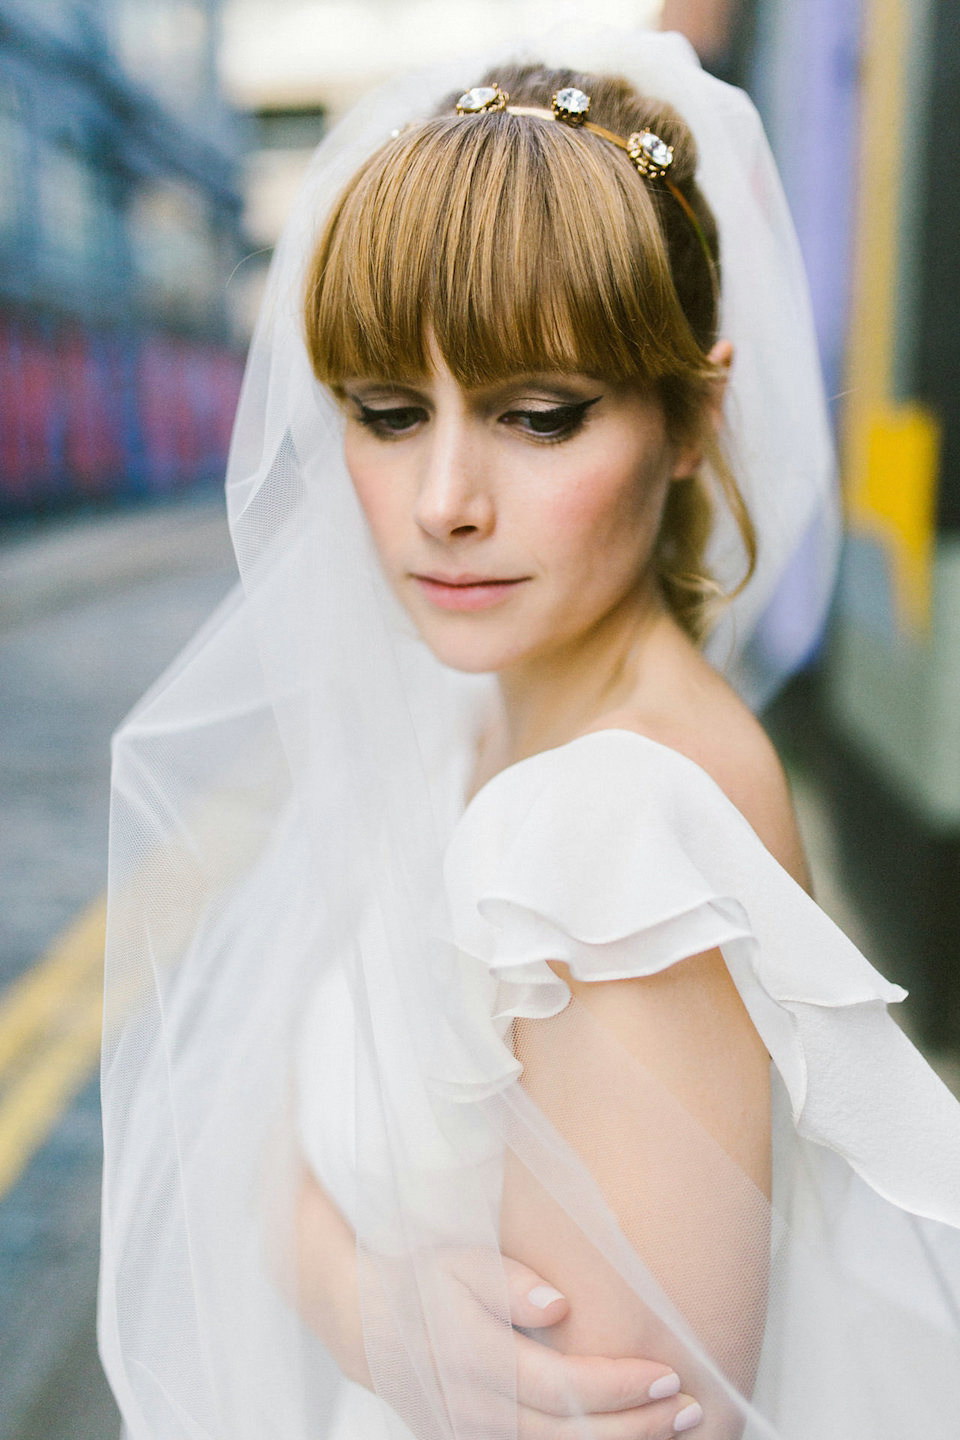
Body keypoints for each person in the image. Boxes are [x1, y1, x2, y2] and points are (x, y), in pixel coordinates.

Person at [97, 29, 960, 1440]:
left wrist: (347, 1286)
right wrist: (359, 1297)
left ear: (692, 419)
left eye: (539, 417)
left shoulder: (615, 837)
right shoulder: (485, 719)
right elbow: (264, 1129)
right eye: (385, 414)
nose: (443, 498)